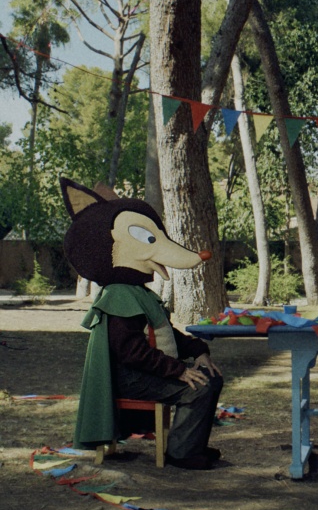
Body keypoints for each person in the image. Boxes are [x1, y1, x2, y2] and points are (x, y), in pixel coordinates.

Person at [60, 178, 224, 470]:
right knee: (198, 387)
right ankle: (182, 453)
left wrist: (198, 350)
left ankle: (189, 444)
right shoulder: (119, 294)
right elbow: (130, 351)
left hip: (146, 371)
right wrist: (179, 371)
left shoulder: (138, 292)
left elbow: (165, 334)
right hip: (132, 377)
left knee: (211, 377)